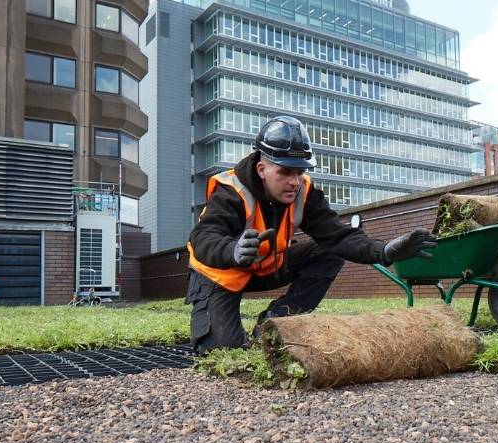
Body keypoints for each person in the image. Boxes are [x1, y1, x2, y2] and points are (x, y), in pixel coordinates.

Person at [185, 115, 437, 355]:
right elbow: (203, 238)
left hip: (265, 267)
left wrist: (383, 250)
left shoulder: (304, 191)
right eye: (285, 172)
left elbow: (338, 236)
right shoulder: (231, 191)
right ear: (262, 169)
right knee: (222, 350)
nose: (295, 181)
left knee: (329, 250)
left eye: (299, 171)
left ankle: (277, 320)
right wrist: (233, 250)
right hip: (221, 273)